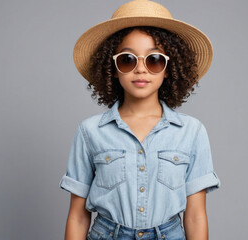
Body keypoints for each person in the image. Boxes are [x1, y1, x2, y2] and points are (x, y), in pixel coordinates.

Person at [59, 0, 221, 239]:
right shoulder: (90, 131)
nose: (141, 69)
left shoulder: (191, 131)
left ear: (168, 69)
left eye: (154, 60)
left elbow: (196, 215)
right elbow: (77, 215)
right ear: (112, 68)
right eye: (128, 59)